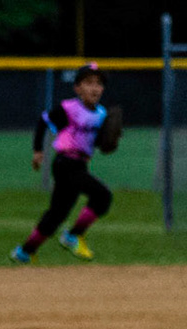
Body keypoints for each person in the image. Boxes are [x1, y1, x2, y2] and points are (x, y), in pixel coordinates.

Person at [11, 63, 113, 264]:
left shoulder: (101, 114)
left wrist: (108, 142)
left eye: (99, 84)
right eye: (88, 83)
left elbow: (99, 142)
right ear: (77, 88)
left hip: (80, 164)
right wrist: (38, 150)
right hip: (65, 163)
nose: (95, 88)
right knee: (102, 195)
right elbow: (43, 121)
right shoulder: (69, 109)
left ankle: (25, 251)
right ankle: (73, 235)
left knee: (58, 213)